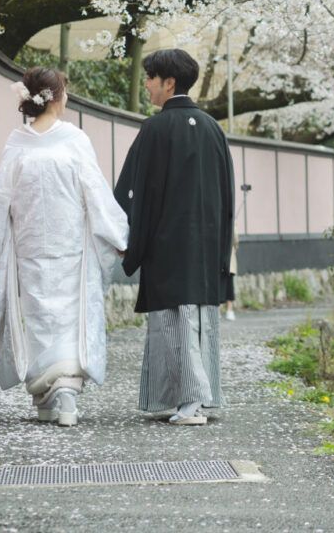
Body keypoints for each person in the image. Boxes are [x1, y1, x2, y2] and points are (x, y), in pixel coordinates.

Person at [0, 68, 128, 427]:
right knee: (70, 316)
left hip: (30, 246)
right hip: (69, 243)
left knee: (38, 315)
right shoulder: (74, 139)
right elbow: (95, 191)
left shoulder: (18, 142)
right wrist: (118, 236)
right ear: (56, 97)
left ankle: (44, 394)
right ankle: (65, 393)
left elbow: (0, 197)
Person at [115, 48, 236, 425]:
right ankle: (197, 397)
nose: (148, 85)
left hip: (168, 242)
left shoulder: (155, 129)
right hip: (208, 241)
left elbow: (133, 191)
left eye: (151, 78)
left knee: (175, 320)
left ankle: (190, 403)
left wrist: (127, 239)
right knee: (198, 318)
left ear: (169, 83)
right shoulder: (214, 128)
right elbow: (227, 193)